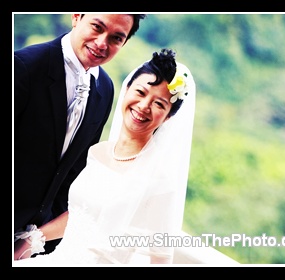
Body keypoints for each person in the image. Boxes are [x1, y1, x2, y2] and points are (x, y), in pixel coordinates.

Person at [14, 48, 196, 265]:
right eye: (140, 92)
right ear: (127, 89)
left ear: (168, 117)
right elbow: (84, 214)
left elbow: (161, 257)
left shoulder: (159, 179)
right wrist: (33, 239)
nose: (144, 106)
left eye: (159, 104)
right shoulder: (99, 151)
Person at [14, 14, 147, 254]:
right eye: (97, 27)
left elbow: (74, 173)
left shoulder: (105, 89)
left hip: (37, 244)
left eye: (116, 38)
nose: (102, 43)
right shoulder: (24, 67)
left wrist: (37, 240)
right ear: (77, 17)